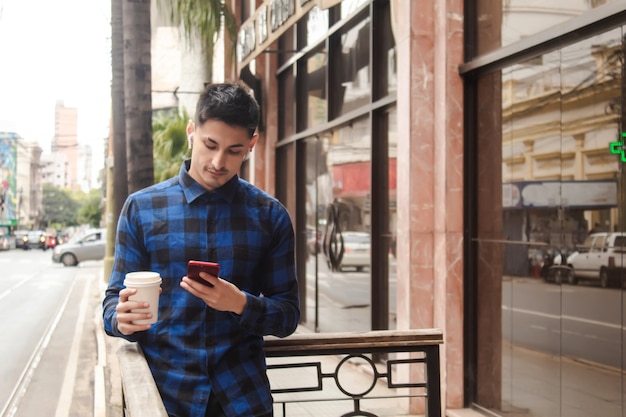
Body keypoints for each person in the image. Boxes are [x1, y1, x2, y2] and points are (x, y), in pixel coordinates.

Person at [102, 82, 300, 417]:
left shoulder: (270, 216)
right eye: (210, 145)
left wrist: (239, 303)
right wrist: (120, 319)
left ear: (251, 145)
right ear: (192, 131)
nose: (218, 162)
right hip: (163, 397)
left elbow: (288, 315)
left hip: (242, 398)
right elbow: (112, 304)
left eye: (234, 150)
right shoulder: (141, 209)